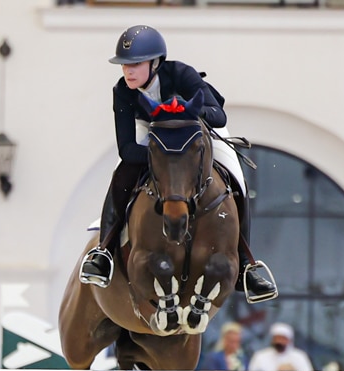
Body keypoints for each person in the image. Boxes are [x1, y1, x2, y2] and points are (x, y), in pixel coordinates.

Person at [78, 24, 278, 304]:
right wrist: (165, 159)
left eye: (135, 64)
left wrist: (185, 107)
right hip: (153, 136)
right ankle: (105, 251)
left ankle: (246, 264)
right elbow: (126, 148)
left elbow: (218, 117)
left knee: (234, 174)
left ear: (155, 62)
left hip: (197, 132)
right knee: (122, 174)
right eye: (125, 65)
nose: (128, 72)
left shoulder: (182, 74)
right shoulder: (123, 91)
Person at [248, 322, 313, 371]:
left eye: (283, 339)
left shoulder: (299, 356)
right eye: (277, 338)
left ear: (289, 340)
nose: (279, 342)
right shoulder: (260, 356)